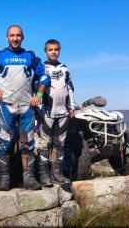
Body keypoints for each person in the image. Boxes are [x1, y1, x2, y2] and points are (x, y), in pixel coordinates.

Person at [0, 25, 50, 191]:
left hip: (27, 107)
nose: (15, 38)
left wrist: (39, 95)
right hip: (7, 107)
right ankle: (4, 178)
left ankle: (29, 178)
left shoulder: (30, 55)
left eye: (18, 35)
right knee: (5, 143)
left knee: (28, 143)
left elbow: (44, 75)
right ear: (7, 37)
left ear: (23, 37)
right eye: (12, 35)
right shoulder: (0, 55)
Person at [36, 39, 75, 186]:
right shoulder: (41, 68)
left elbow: (70, 87)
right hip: (46, 112)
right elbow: (36, 90)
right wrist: (37, 109)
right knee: (45, 144)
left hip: (63, 112)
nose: (54, 52)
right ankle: (44, 175)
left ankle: (57, 173)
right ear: (46, 51)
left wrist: (71, 106)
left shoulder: (65, 68)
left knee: (60, 143)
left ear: (60, 50)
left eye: (56, 49)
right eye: (50, 49)